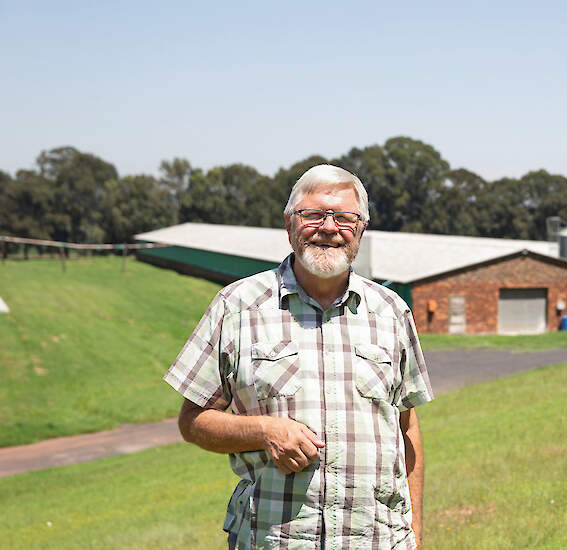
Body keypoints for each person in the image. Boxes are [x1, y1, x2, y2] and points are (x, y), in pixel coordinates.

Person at [165, 164, 433, 549]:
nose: (328, 227)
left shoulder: (391, 311)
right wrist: (264, 431)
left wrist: (416, 537)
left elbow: (407, 428)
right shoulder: (236, 307)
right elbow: (192, 422)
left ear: (361, 229)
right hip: (274, 540)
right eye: (313, 215)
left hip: (378, 540)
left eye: (344, 217)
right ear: (289, 224)